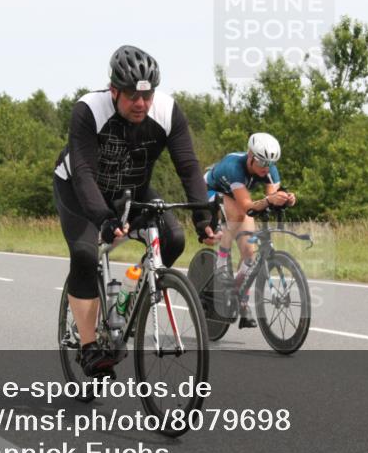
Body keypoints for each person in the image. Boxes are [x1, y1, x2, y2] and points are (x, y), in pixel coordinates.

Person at [53, 45, 218, 376]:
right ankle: (88, 347)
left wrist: (203, 217)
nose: (141, 103)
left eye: (147, 95)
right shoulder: (89, 110)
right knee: (85, 255)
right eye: (131, 96)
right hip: (79, 189)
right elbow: (84, 173)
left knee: (173, 239)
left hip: (132, 190)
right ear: (114, 90)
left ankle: (132, 297)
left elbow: (187, 166)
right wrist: (102, 218)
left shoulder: (168, 112)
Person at [205, 133, 296, 328]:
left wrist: (285, 199)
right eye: (261, 161)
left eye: (270, 163)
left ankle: (241, 299)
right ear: (250, 155)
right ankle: (221, 262)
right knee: (238, 214)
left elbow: (271, 200)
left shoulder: (270, 170)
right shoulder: (235, 167)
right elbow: (247, 206)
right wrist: (269, 200)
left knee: (250, 253)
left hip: (236, 197)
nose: (265, 167)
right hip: (210, 190)